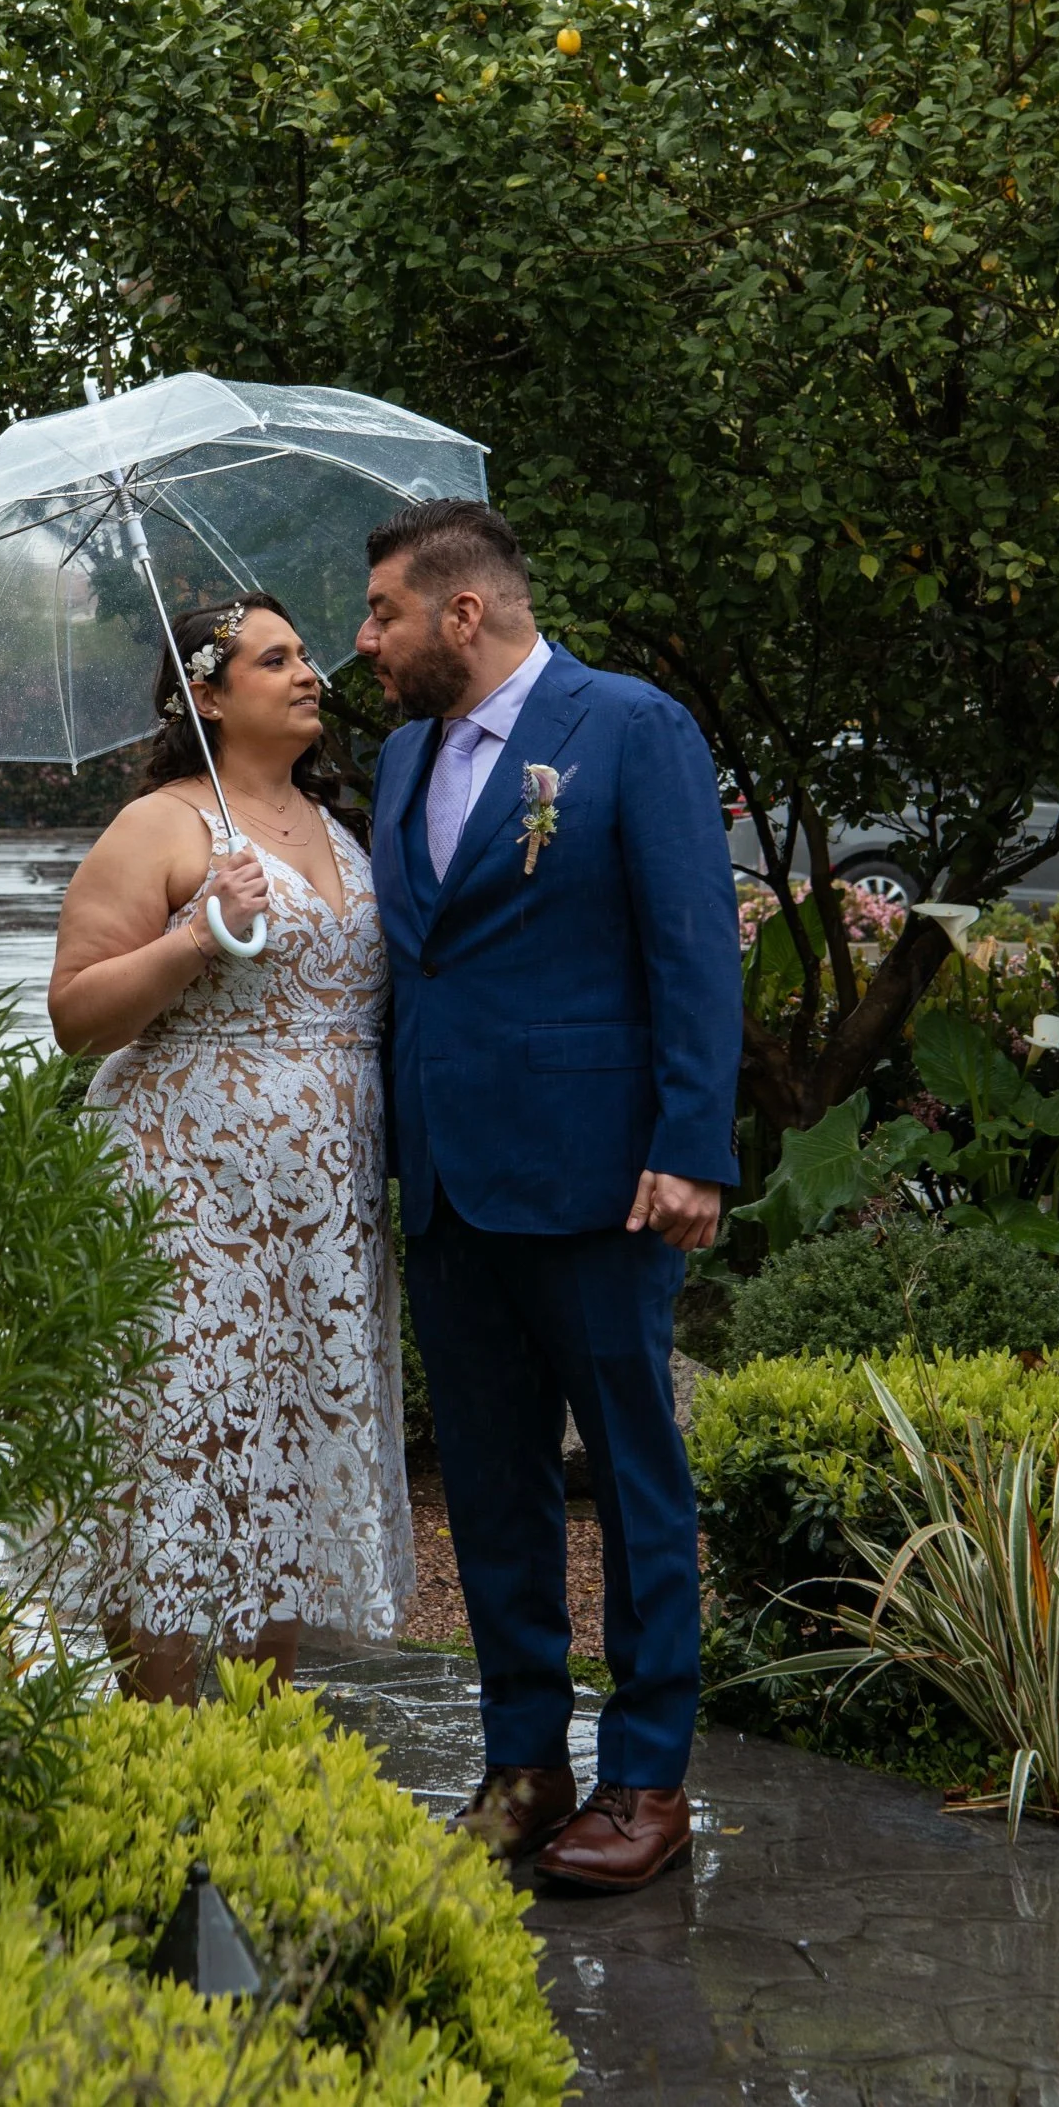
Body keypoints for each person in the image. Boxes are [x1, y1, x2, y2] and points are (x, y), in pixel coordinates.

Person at [357, 499, 742, 1894]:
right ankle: (522, 1765)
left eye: (384, 611)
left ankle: (648, 1779)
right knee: (490, 1491)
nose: (366, 642)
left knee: (636, 1487)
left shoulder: (630, 728)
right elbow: (425, 961)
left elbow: (694, 943)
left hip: (600, 1183)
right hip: (450, 1183)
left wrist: (694, 1142)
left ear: (466, 611)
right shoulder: (403, 756)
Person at [48, 592, 414, 1705]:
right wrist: (197, 936)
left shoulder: (344, 828)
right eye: (275, 659)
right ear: (208, 694)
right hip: (182, 1201)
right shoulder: (161, 825)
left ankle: (259, 1753)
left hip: (317, 1221)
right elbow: (75, 1015)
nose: (310, 673)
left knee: (283, 1465)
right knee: (175, 1456)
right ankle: (158, 1752)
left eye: (306, 655)